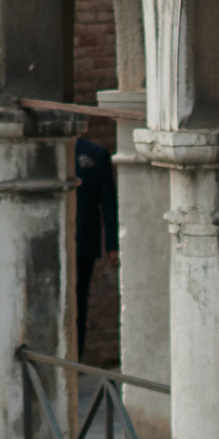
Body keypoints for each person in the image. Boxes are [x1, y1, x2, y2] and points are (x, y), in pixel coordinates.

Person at [73, 134, 120, 361]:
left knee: (78, 305)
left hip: (83, 241)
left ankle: (75, 361)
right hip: (52, 241)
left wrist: (112, 245)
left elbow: (109, 203)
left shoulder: (95, 153)